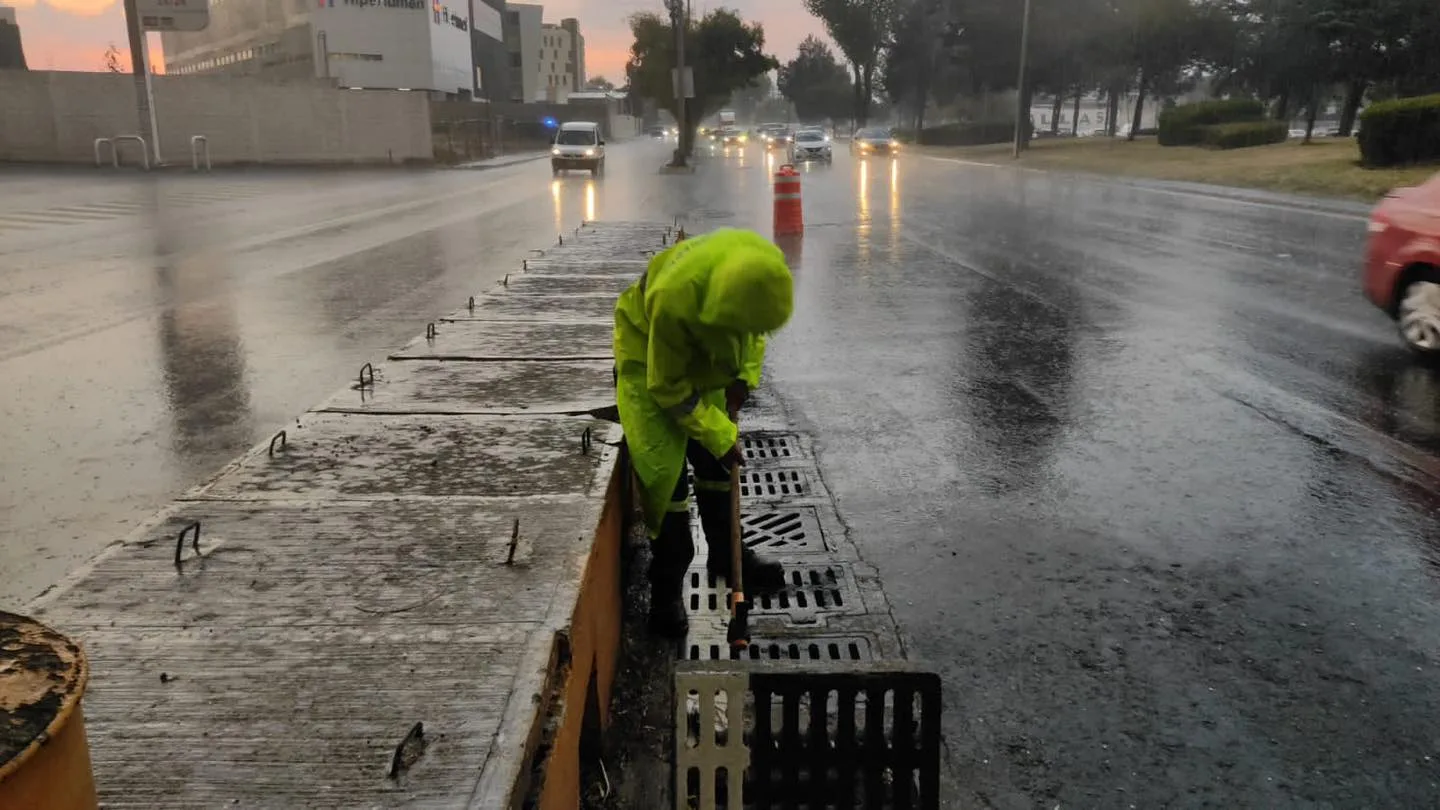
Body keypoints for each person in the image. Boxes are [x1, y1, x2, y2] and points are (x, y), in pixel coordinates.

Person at [614, 227, 794, 637]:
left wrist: (743, 379)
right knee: (666, 480)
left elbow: (753, 335)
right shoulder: (674, 299)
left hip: (710, 351)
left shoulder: (755, 270)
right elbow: (668, 388)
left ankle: (728, 559)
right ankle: (666, 589)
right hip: (653, 364)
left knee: (717, 466)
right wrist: (717, 433)